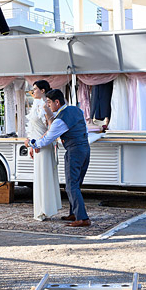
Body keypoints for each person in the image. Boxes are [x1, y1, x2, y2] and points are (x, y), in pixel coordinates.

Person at [25, 89, 91, 227]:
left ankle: (82, 218)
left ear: (57, 102)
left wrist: (31, 143)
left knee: (71, 185)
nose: (48, 106)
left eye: (49, 102)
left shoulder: (60, 120)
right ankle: (74, 213)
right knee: (76, 183)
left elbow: (48, 139)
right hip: (84, 148)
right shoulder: (76, 110)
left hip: (74, 151)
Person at [25, 80, 62, 221]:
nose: (33, 91)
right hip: (36, 145)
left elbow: (51, 129)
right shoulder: (35, 104)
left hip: (43, 146)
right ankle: (41, 208)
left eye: (35, 89)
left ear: (42, 90)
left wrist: (38, 143)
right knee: (39, 176)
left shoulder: (45, 107)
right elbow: (32, 128)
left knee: (44, 175)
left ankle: (45, 209)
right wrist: (30, 144)